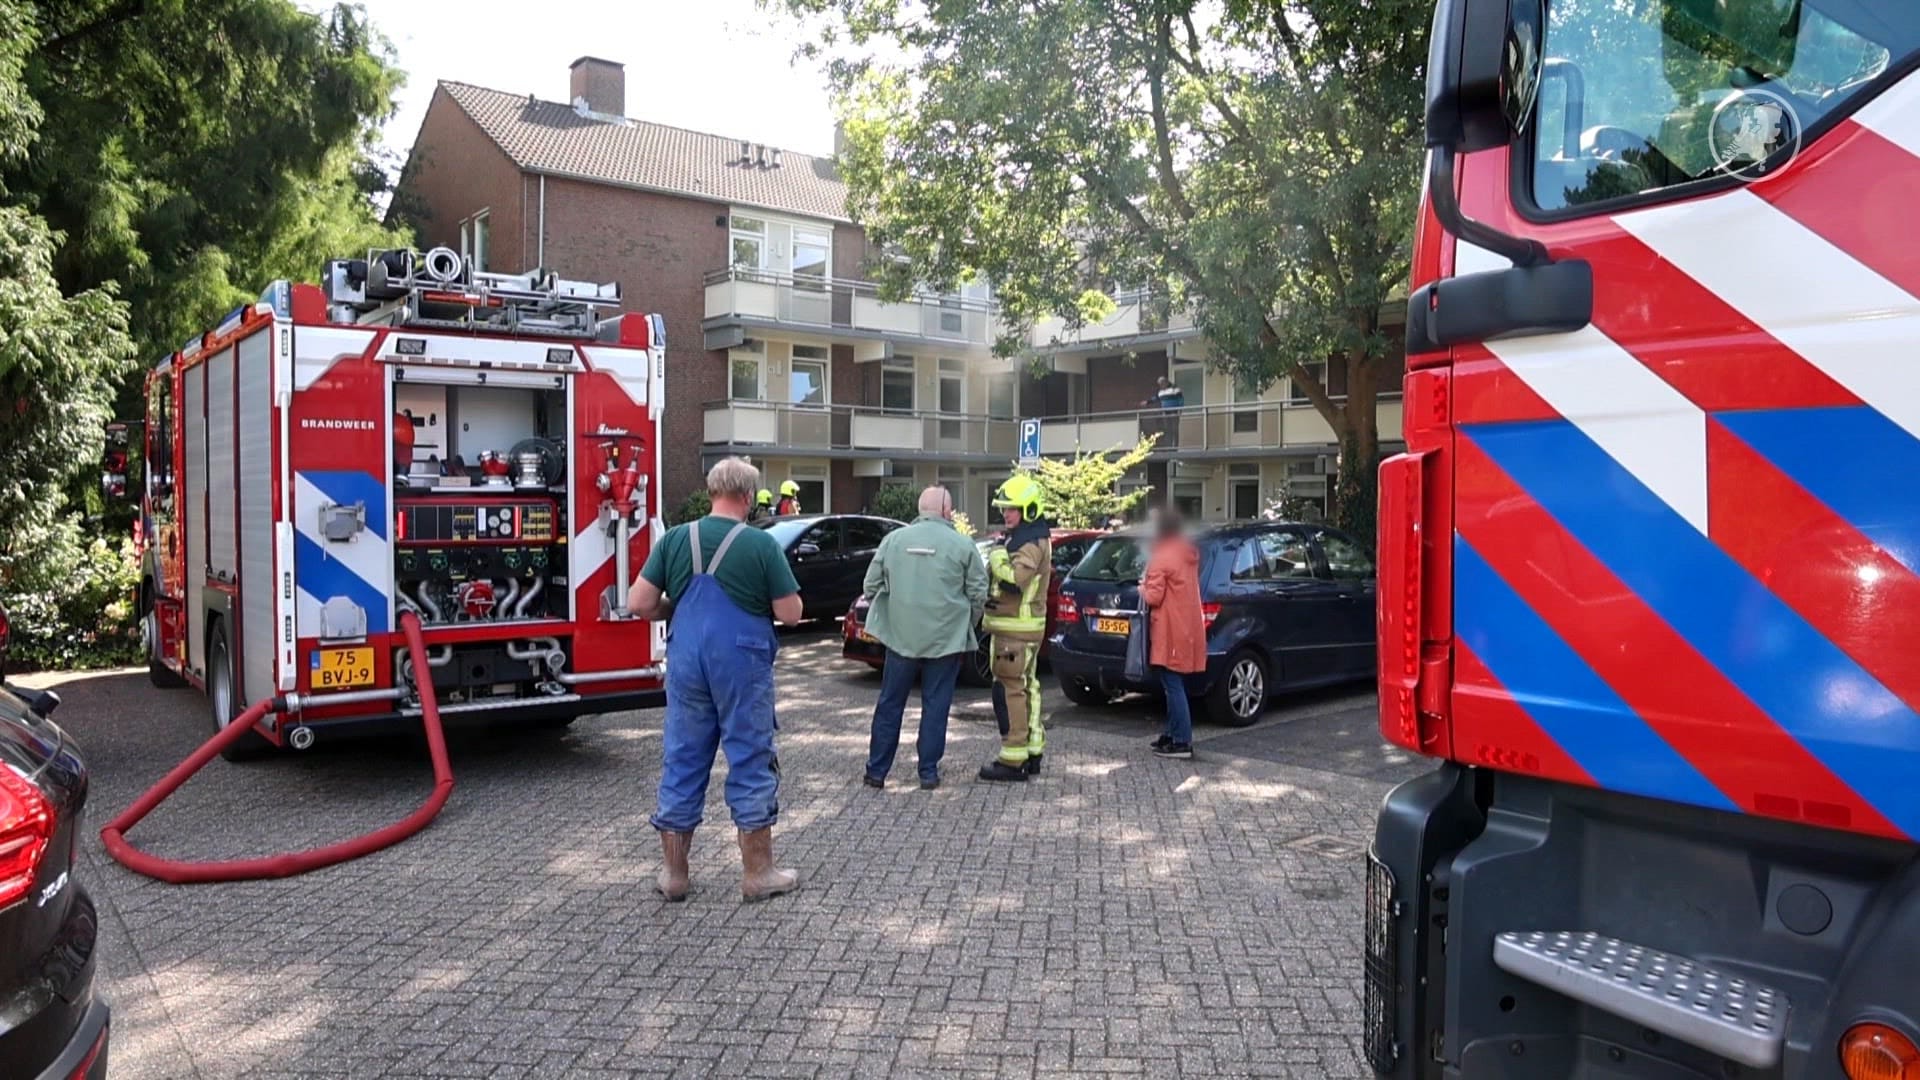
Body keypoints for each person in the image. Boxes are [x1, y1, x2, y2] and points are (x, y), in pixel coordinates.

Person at [628, 457, 805, 903]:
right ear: (748, 497)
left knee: (683, 755)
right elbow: (791, 613)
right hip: (741, 662)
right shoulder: (759, 545)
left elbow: (639, 603)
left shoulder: (673, 539)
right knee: (749, 754)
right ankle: (757, 874)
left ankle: (673, 874)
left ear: (711, 492)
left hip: (687, 659)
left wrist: (677, 607)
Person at [860, 486, 987, 790]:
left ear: (920, 510)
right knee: (936, 704)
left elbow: (870, 586)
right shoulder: (963, 545)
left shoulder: (893, 541)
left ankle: (877, 772)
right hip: (945, 640)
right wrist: (964, 622)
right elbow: (978, 593)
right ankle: (927, 772)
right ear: (946, 511)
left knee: (890, 703)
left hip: (900, 638)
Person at [978, 475, 1053, 783]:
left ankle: (1013, 758)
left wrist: (995, 556)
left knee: (1009, 691)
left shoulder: (1031, 544)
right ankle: (1032, 751)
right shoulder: (1029, 537)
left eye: (1013, 508)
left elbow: (1013, 581)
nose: (1007, 514)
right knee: (1027, 687)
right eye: (1005, 508)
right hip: (1021, 630)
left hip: (1015, 632)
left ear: (1030, 509)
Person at [1141, 509, 1206, 760]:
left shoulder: (1162, 556)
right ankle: (1171, 734)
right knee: (1174, 683)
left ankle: (1181, 741)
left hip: (1169, 628)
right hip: (1186, 626)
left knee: (1172, 683)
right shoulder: (1185, 551)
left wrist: (1142, 587)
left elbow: (1154, 597)